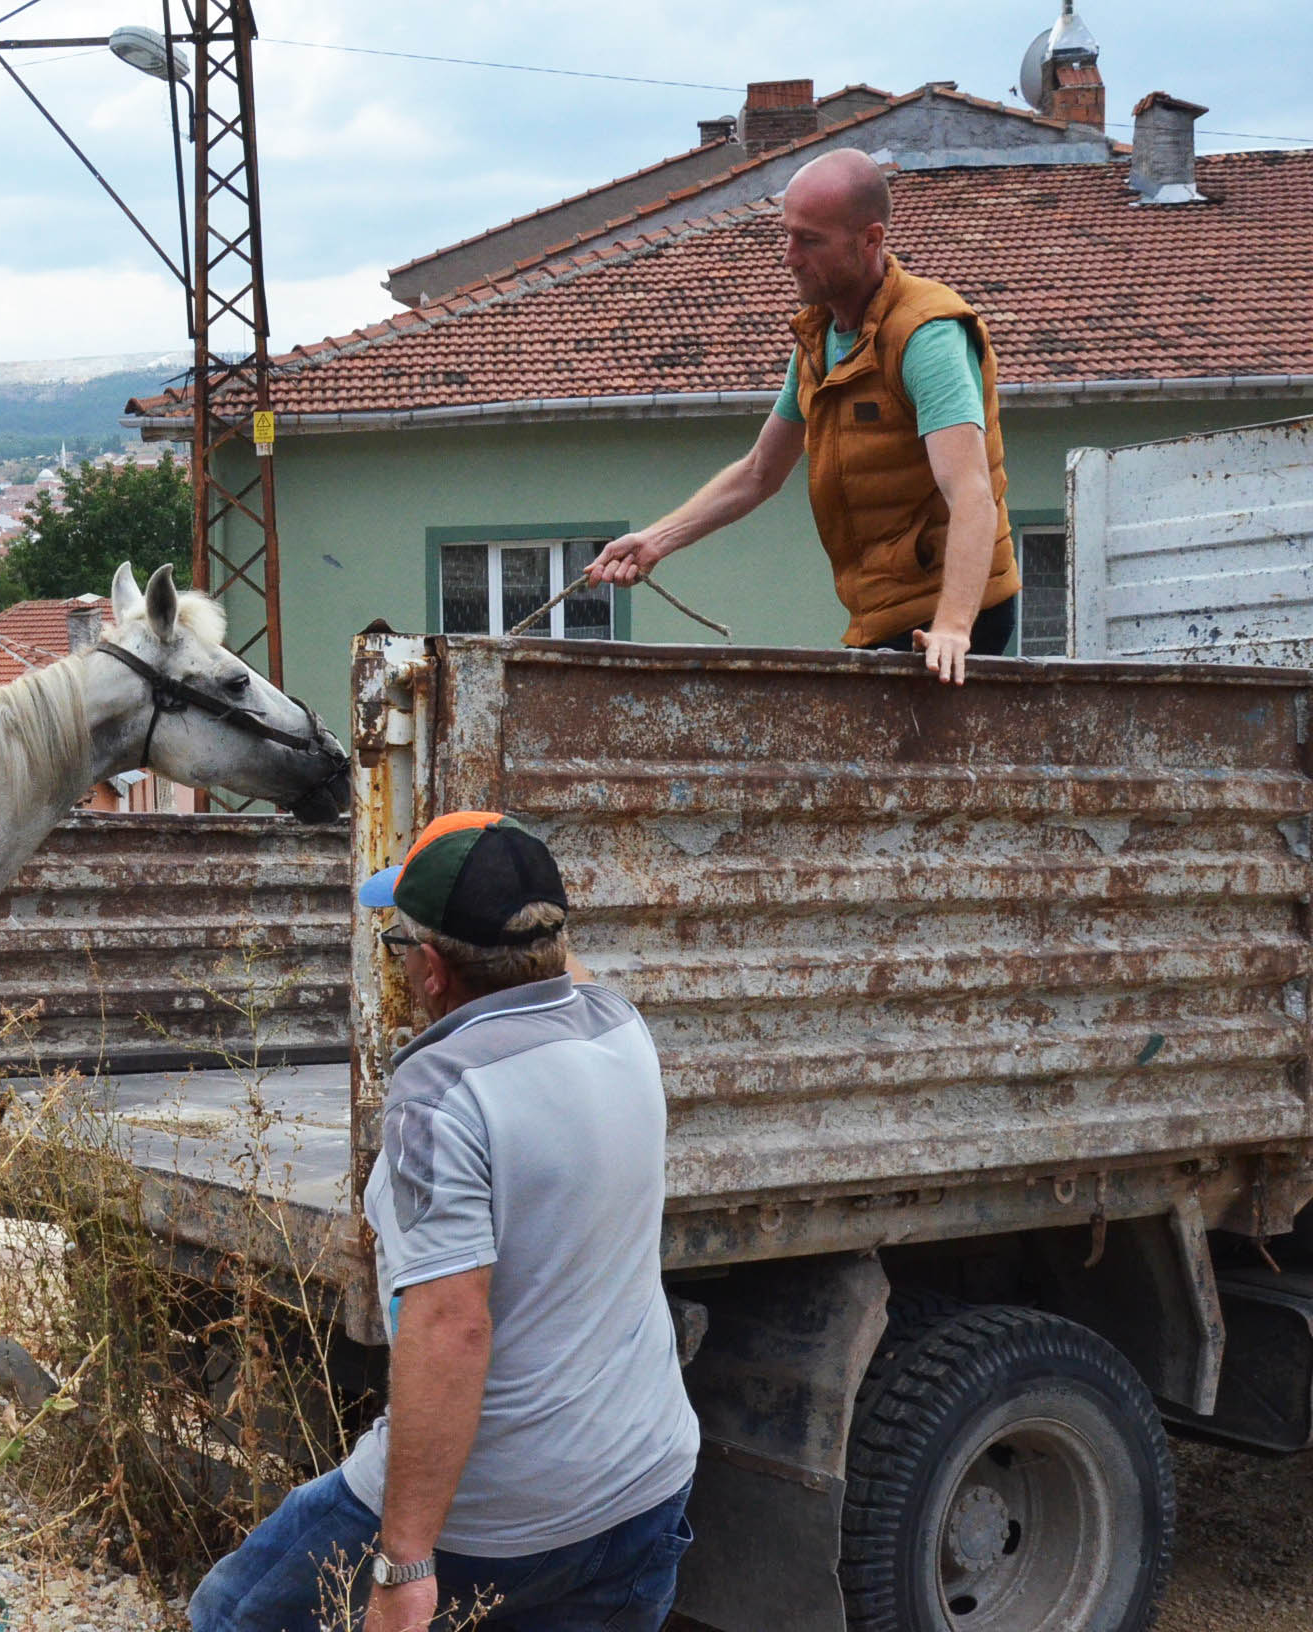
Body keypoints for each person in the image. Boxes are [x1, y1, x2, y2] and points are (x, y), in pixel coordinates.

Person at [190, 812, 699, 1632]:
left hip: (498, 1519)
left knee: (232, 1614)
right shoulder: (621, 1029)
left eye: (398, 946)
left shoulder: (439, 1099)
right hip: (643, 1488)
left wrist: (406, 1563)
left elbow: (453, 1328)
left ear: (430, 968)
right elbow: (556, 971)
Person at [585, 147, 1017, 683]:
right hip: (880, 614)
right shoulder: (820, 340)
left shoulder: (925, 336)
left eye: (809, 240)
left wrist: (955, 626)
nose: (789, 256)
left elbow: (971, 491)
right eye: (787, 235)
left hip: (951, 625)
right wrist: (657, 540)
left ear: (870, 241)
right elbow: (761, 471)